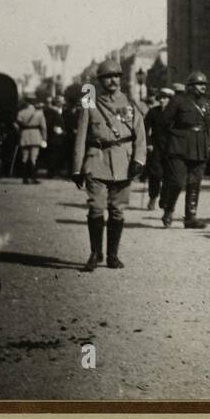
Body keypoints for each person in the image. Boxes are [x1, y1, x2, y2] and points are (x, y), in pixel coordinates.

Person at [72, 59, 146, 270]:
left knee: (117, 210)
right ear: (100, 81)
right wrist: (77, 168)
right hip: (97, 160)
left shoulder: (129, 104)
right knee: (96, 207)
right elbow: (81, 137)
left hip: (124, 161)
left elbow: (140, 135)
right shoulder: (90, 104)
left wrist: (139, 160)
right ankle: (95, 253)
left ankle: (113, 255)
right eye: (107, 77)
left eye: (116, 77)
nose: (112, 81)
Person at [162, 70, 210, 229]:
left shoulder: (206, 103)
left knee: (194, 183)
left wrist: (208, 145)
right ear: (189, 86)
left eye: (204, 84)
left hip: (199, 146)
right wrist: (168, 143)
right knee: (177, 182)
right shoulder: (178, 100)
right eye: (199, 84)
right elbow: (163, 123)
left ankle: (190, 218)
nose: (202, 87)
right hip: (179, 147)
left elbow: (207, 126)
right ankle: (169, 209)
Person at [143, 87, 173, 210]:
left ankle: (164, 199)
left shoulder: (175, 113)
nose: (161, 100)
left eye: (164, 98)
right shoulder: (153, 112)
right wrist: (148, 143)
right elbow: (144, 129)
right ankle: (153, 197)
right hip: (155, 148)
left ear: (170, 100)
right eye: (160, 98)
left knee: (169, 175)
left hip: (171, 148)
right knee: (155, 175)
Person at [15, 99, 47, 185]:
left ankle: (25, 179)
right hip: (35, 134)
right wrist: (44, 138)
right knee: (34, 158)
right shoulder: (39, 113)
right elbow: (43, 127)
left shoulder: (21, 113)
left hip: (24, 135)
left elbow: (17, 126)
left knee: (24, 157)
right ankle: (33, 178)